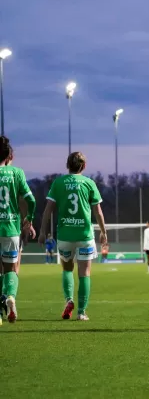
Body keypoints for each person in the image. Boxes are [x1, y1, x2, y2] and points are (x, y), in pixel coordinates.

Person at [39, 152, 107, 321]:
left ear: (67, 165)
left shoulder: (58, 182)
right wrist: (104, 232)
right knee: (85, 273)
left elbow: (48, 210)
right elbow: (98, 211)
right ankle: (82, 312)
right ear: (83, 166)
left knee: (67, 269)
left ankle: (69, 300)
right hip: (84, 235)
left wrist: (42, 231)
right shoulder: (89, 183)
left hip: (64, 235)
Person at [0, 136, 36, 325]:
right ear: (9, 156)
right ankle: (10, 297)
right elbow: (31, 201)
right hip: (11, 228)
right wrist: (28, 220)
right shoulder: (17, 173)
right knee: (10, 269)